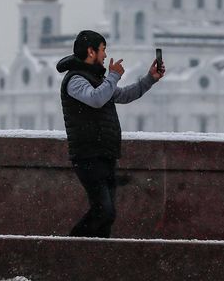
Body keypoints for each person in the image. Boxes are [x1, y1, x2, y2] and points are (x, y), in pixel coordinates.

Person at [56, 30, 165, 238]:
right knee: (103, 211)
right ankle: (68, 248)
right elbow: (96, 99)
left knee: (107, 216)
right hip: (87, 155)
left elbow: (123, 95)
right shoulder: (75, 80)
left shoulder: (97, 79)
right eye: (103, 50)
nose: (105, 55)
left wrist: (150, 79)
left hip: (104, 154)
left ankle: (94, 259)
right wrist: (114, 76)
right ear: (91, 51)